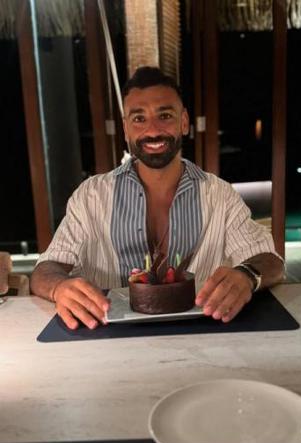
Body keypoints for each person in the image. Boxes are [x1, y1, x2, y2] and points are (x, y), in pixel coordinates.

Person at [31, 66, 285, 330]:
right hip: (106, 335)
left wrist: (247, 275)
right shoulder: (91, 195)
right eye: (139, 118)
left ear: (183, 122)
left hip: (202, 333)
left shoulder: (220, 195)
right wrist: (59, 287)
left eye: (164, 116)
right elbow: (45, 269)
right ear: (126, 129)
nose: (152, 131)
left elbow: (271, 260)